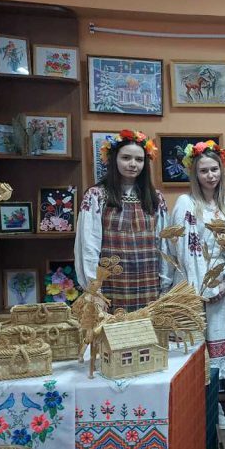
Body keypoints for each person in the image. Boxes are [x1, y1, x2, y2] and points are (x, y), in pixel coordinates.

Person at [169, 140, 225, 430]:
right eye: (204, 171)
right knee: (197, 349)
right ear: (195, 174)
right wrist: (204, 289)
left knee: (217, 349)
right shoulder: (187, 204)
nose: (210, 175)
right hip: (195, 286)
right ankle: (198, 411)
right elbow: (186, 251)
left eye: (214, 169)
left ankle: (215, 406)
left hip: (222, 287)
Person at [75, 129, 171, 312]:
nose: (133, 164)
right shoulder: (97, 196)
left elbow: (164, 246)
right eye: (126, 158)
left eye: (139, 159)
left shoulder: (155, 198)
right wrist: (94, 290)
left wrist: (165, 287)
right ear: (114, 159)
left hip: (150, 287)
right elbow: (89, 245)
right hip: (109, 290)